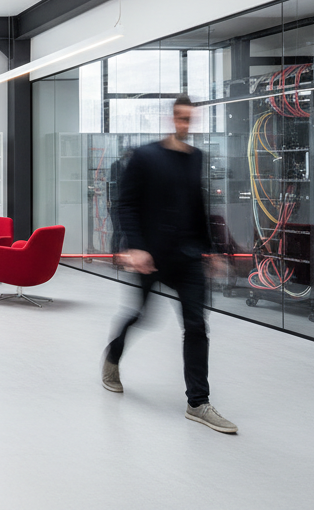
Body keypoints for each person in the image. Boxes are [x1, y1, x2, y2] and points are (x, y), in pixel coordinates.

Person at [103, 95, 237, 434]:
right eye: (180, 117)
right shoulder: (145, 156)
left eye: (189, 119)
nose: (184, 124)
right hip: (151, 257)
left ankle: (198, 402)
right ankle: (112, 357)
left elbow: (197, 206)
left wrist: (212, 251)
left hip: (188, 258)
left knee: (196, 326)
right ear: (171, 119)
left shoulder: (196, 158)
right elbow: (126, 205)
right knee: (141, 316)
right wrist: (135, 247)